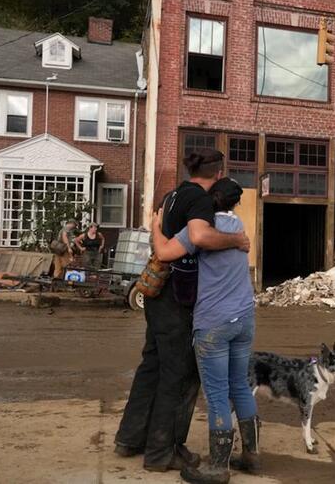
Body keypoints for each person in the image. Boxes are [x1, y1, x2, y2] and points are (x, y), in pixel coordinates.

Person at [114, 149, 250, 473]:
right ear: (217, 175)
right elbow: (200, 235)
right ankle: (163, 452)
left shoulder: (173, 194)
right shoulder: (200, 200)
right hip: (178, 300)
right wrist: (235, 240)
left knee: (152, 367)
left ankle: (130, 438)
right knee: (180, 375)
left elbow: (161, 233)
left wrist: (157, 228)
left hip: (158, 297)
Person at [151, 177, 259, 484]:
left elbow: (164, 253)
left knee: (216, 395)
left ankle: (218, 466)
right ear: (236, 202)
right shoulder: (240, 229)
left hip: (213, 322)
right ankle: (251, 455)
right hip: (244, 319)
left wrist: (156, 225)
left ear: (210, 200)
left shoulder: (200, 231)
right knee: (239, 385)